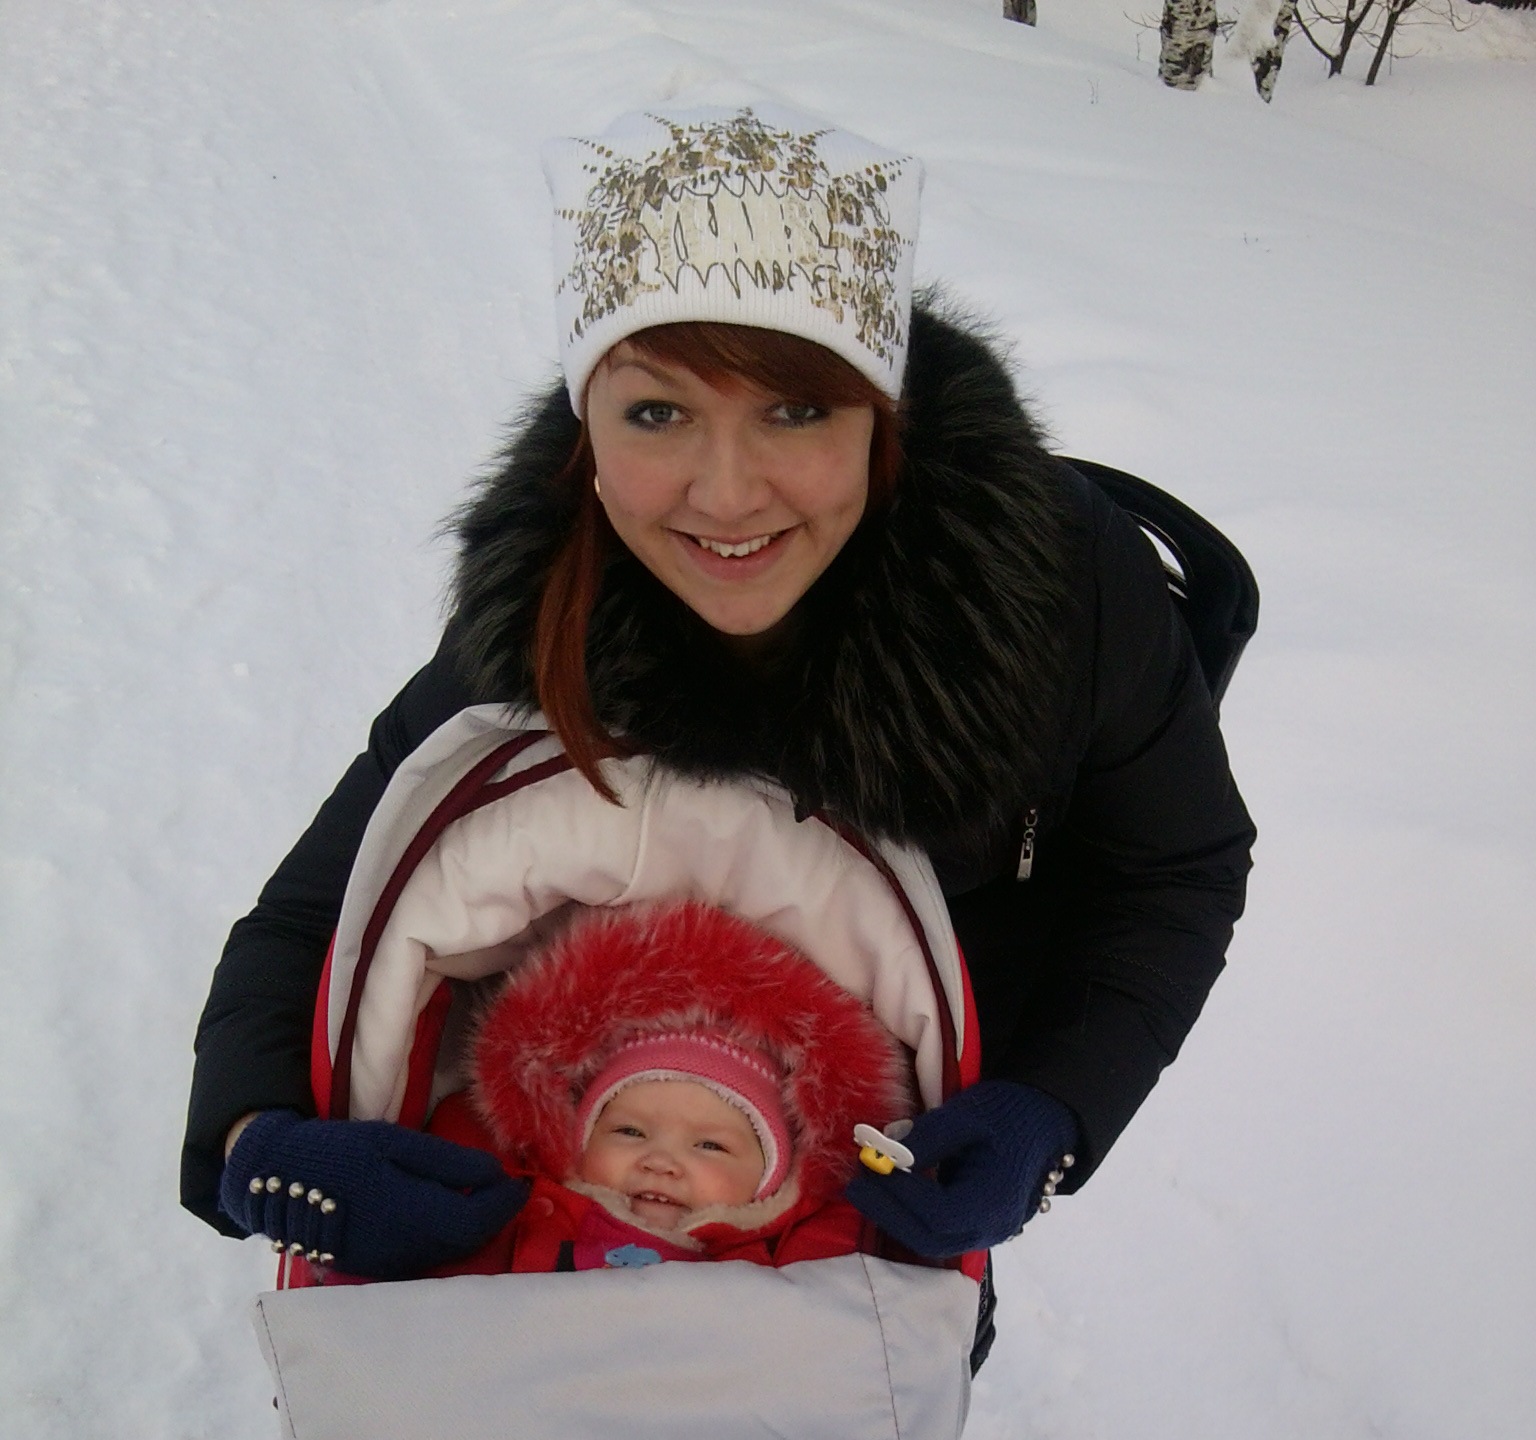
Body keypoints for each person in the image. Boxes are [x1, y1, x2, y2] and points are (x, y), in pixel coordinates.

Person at [194, 102, 1254, 1289]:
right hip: (576, 1177)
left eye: (796, 410)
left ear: (882, 418)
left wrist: (1049, 1107)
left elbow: (1173, 865)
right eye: (658, 413)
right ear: (588, 432)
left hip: (898, 1182)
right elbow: (324, 906)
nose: (728, 494)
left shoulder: (1057, 585)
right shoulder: (548, 599)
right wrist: (255, 1135)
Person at [422, 897, 916, 1275]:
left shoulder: (789, 1258)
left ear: (770, 1181)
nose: (659, 1161)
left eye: (710, 1145)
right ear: (576, 1139)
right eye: (629, 1132)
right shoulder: (521, 1207)